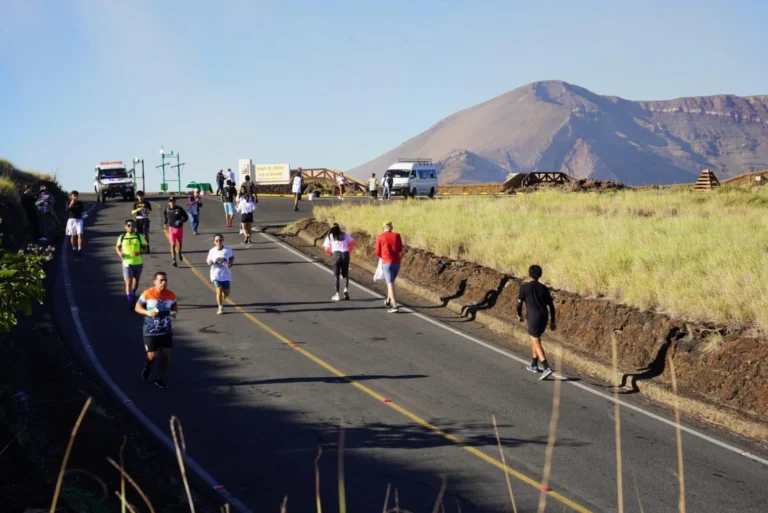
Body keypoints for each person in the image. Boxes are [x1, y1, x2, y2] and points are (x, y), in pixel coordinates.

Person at [135, 271, 178, 389]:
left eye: (165, 280)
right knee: (152, 356)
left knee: (166, 355)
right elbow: (137, 307)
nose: (163, 282)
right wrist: (147, 312)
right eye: (161, 280)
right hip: (151, 331)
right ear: (155, 282)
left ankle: (160, 378)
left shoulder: (171, 295)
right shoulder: (147, 294)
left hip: (166, 331)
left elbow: (175, 308)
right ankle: (148, 365)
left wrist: (174, 313)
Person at [517, 264, 557, 380]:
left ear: (529, 274)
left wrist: (519, 315)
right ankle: (534, 364)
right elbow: (551, 306)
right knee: (535, 339)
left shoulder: (524, 288)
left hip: (533, 318)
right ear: (540, 275)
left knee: (536, 341)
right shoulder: (544, 288)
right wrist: (553, 321)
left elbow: (519, 305)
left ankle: (546, 367)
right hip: (544, 316)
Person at [116, 219, 148, 308]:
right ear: (125, 227)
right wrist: (119, 253)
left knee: (135, 282)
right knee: (128, 282)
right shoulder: (122, 237)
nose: (131, 227)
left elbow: (145, 248)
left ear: (135, 227)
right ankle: (130, 301)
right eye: (129, 226)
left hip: (138, 263)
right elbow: (117, 247)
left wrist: (140, 252)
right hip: (127, 263)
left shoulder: (139, 236)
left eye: (133, 226)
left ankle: (133, 293)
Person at [375, 221, 404, 313]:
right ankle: (388, 301)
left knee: (390, 283)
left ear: (384, 227)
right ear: (391, 227)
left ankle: (394, 305)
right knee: (391, 282)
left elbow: (377, 252)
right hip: (397, 262)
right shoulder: (397, 235)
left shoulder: (380, 237)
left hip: (386, 262)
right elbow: (400, 249)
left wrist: (383, 255)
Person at [323, 223, 355, 301]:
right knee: (345, 274)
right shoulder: (345, 234)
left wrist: (331, 253)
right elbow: (352, 242)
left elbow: (326, 248)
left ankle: (337, 294)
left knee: (336, 275)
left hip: (336, 254)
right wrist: (348, 251)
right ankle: (346, 289)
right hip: (345, 254)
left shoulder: (330, 236)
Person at [206, 234, 235, 315]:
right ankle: (220, 307)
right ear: (214, 242)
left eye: (220, 240)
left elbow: (231, 258)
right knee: (218, 291)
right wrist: (210, 262)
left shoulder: (227, 250)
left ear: (223, 240)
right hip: (215, 274)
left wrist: (230, 264)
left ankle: (223, 295)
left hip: (226, 274)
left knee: (227, 292)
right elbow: (208, 260)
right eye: (217, 240)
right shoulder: (212, 251)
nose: (219, 242)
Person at [163, 197, 189, 267]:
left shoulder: (179, 209)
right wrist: (165, 223)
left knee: (179, 243)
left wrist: (181, 221)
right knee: (173, 244)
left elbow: (186, 217)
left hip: (179, 229)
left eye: (173, 201)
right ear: (168, 202)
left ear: (175, 202)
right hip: (171, 229)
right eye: (170, 201)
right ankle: (173, 259)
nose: (172, 203)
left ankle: (179, 252)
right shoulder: (167, 209)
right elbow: (165, 216)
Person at [65, 190, 85, 255]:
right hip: (71, 220)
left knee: (80, 234)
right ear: (71, 196)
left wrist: (83, 215)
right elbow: (67, 210)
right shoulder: (68, 202)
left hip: (79, 220)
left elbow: (82, 211)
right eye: (74, 195)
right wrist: (72, 203)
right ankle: (74, 248)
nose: (76, 197)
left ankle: (79, 248)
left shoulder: (80, 203)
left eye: (76, 195)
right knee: (73, 236)